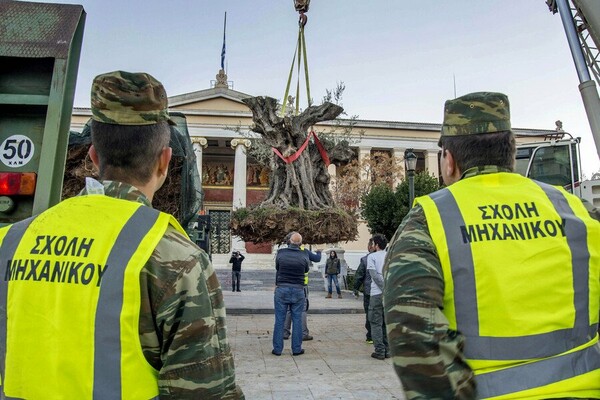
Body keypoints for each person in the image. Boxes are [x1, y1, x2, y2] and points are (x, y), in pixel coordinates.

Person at [0, 71, 244, 399]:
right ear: (165, 161)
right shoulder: (176, 260)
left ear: (94, 157)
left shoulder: (12, 241)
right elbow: (204, 391)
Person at [383, 92, 600, 399]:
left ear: (448, 160)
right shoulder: (576, 210)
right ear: (509, 154)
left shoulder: (428, 220)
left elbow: (411, 329)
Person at [273, 231, 310, 356]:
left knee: (279, 320)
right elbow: (306, 269)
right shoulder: (304, 254)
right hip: (298, 289)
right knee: (297, 320)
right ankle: (296, 349)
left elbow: (278, 267)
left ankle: (278, 349)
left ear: (289, 241)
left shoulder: (281, 253)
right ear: (300, 243)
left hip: (282, 288)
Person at [284, 245, 321, 341]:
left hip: (287, 284)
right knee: (302, 310)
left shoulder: (284, 252)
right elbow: (317, 259)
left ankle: (285, 333)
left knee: (288, 309)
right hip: (301, 285)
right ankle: (303, 333)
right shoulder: (304, 252)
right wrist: (319, 252)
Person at [367, 233, 389, 360]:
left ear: (376, 245)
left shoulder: (372, 257)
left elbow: (374, 276)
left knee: (375, 323)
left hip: (376, 294)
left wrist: (384, 289)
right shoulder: (390, 256)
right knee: (386, 322)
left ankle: (379, 351)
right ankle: (388, 349)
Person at [353, 238, 375, 343]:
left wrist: (355, 288)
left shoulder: (365, 260)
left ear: (371, 246)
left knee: (369, 313)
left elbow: (359, 276)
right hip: (383, 292)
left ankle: (370, 336)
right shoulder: (386, 257)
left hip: (369, 291)